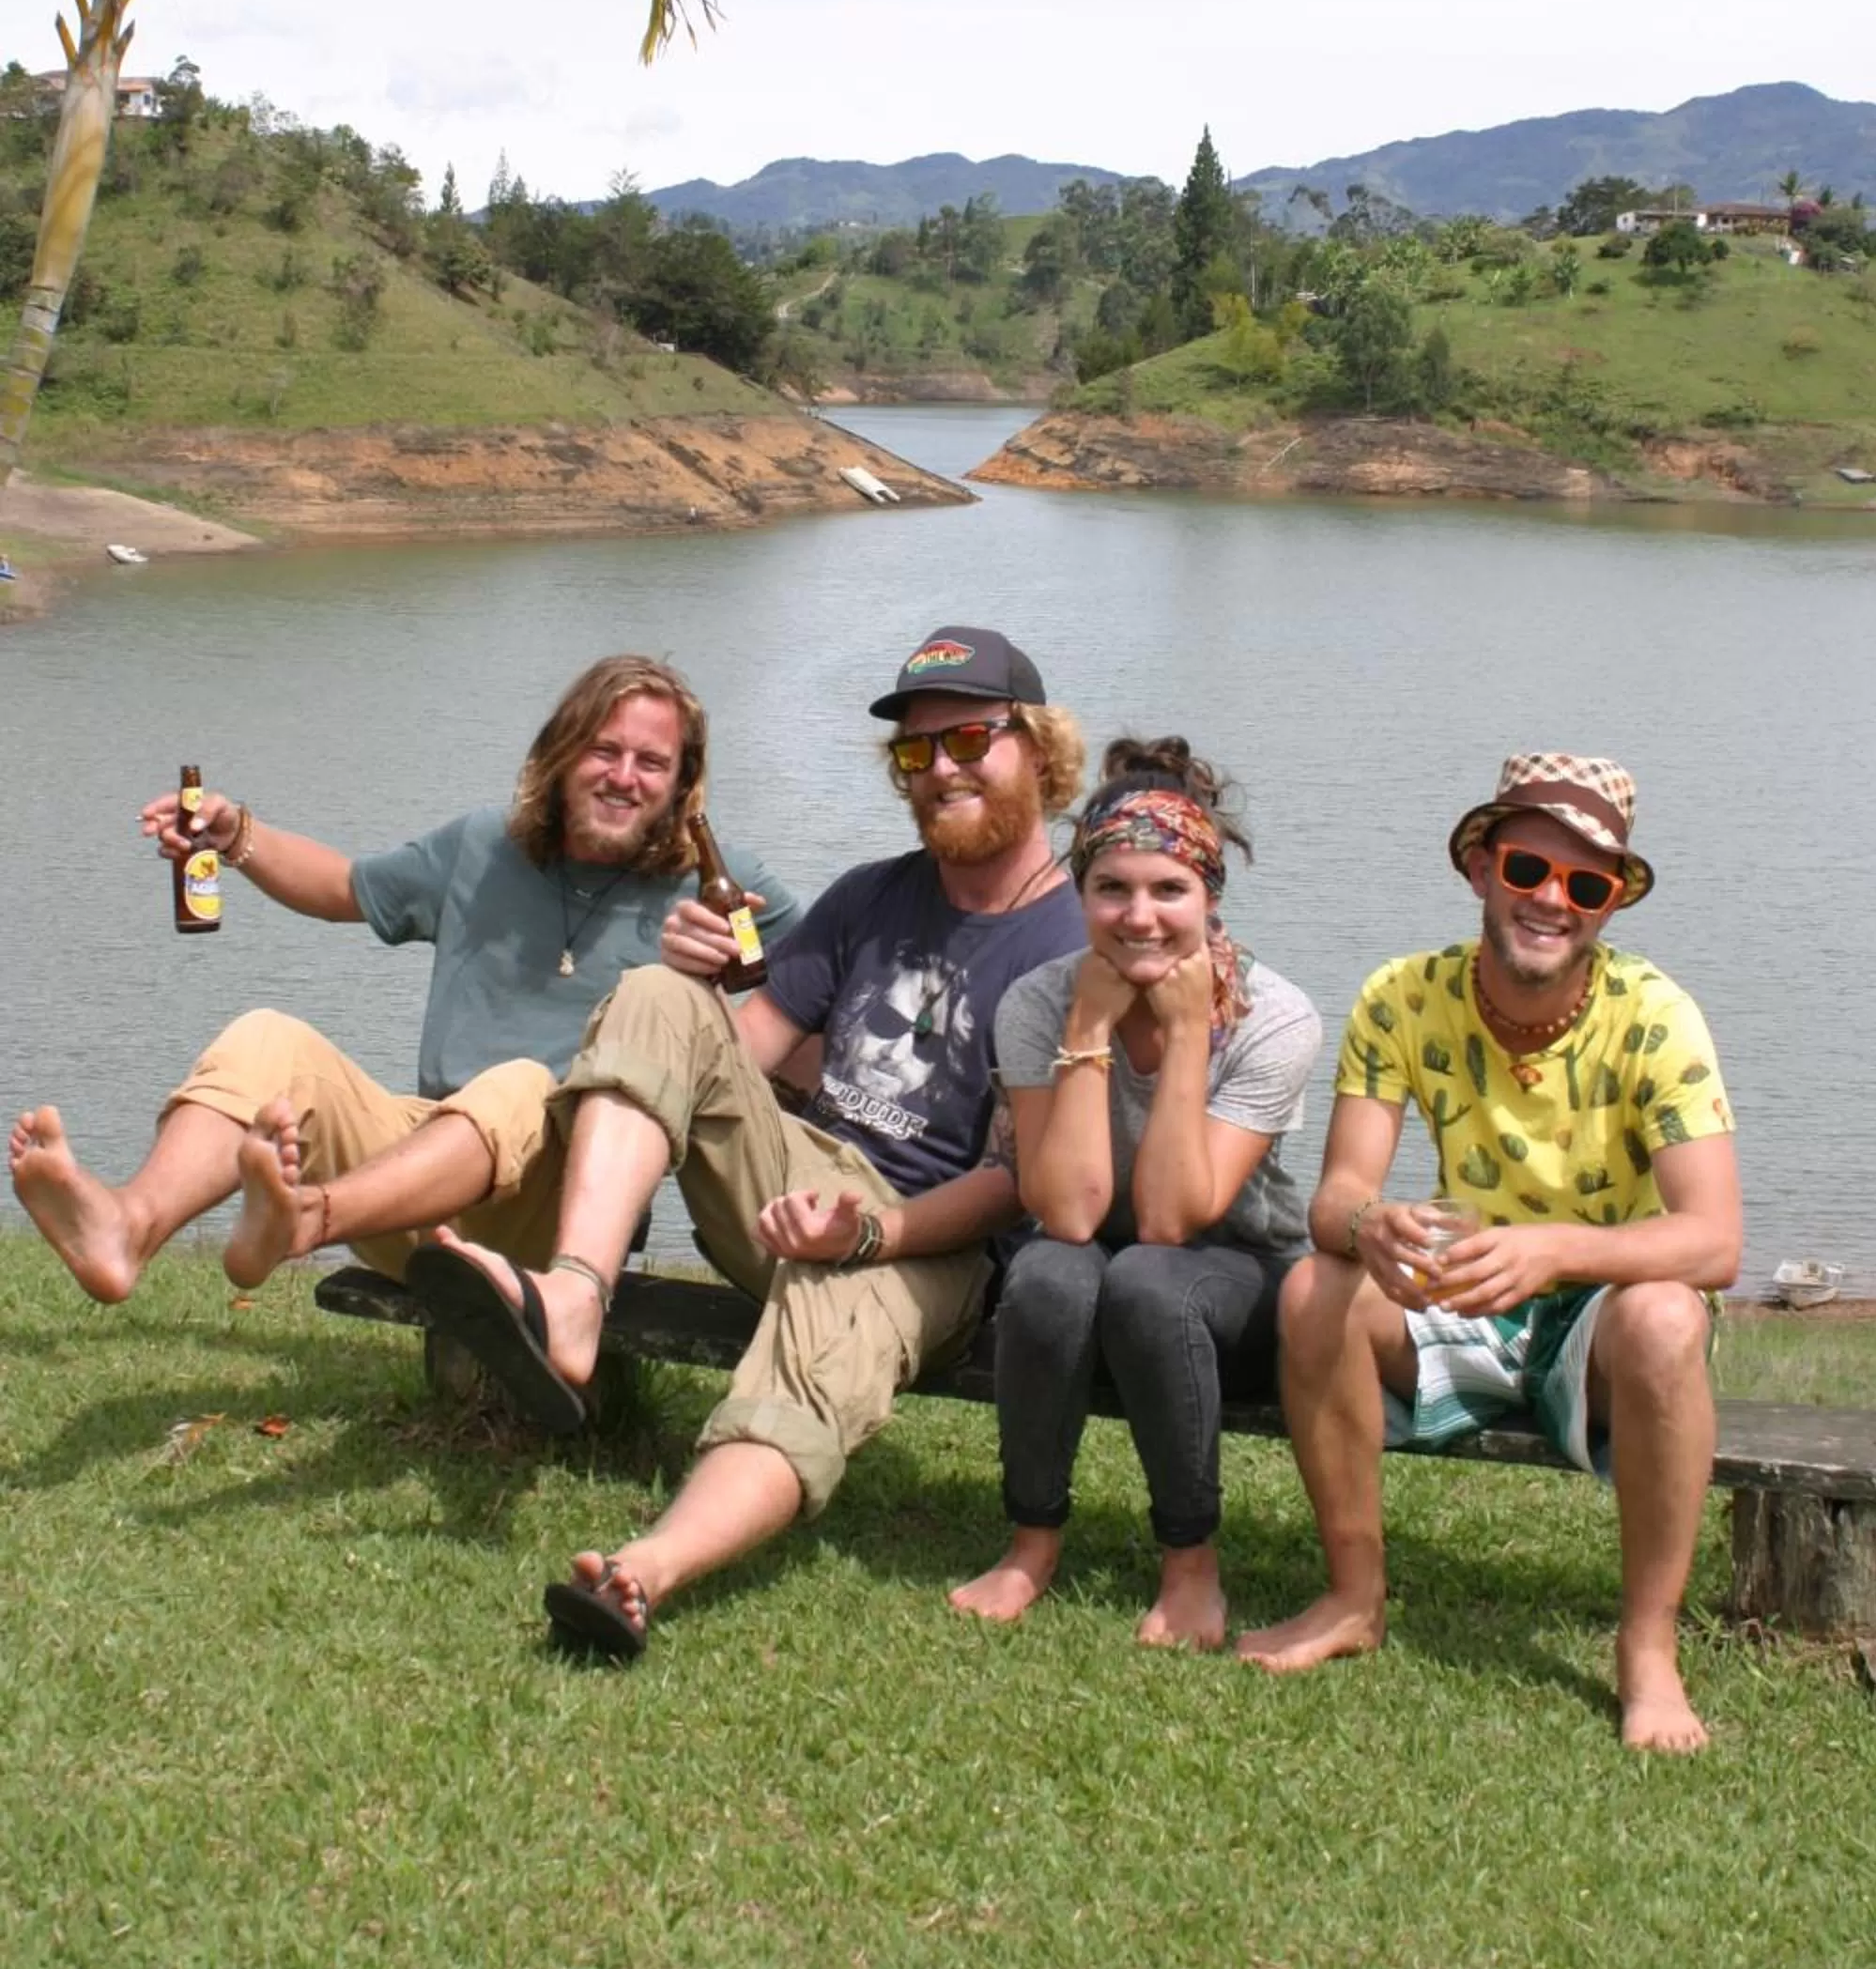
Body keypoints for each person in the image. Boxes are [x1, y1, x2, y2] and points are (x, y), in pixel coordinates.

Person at [409, 623, 1088, 1656]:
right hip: (789, 1182)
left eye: (967, 742)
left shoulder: (1079, 936)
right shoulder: (871, 894)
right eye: (914, 751)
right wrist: (690, 977)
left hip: (926, 1241)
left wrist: (867, 1234)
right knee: (651, 993)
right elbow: (742, 1049)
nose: (938, 770)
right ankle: (574, 1301)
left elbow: (1020, 1183)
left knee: (818, 1344)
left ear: (1037, 750)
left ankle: (644, 1572)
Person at [8, 654, 792, 1304]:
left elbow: (820, 997)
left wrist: (715, 1012)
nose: (624, 776)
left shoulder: (718, 885)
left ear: (681, 782)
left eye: (651, 762)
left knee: (520, 1084)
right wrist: (236, 835)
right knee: (267, 1038)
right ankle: (126, 1228)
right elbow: (347, 887)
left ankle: (305, 1220)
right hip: (421, 1183)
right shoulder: (485, 846)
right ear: (561, 757)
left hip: (565, 1214)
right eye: (603, 750)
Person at [1237, 753, 1743, 1754]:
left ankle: (1645, 1648)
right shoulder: (1401, 996)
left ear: (1607, 907)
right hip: (1466, 1289)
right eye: (1525, 870)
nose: (1550, 900)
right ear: (1478, 866)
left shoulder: (1654, 1017)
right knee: (1312, 1287)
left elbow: (1714, 1240)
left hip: (1598, 1313)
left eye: (1583, 885)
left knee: (1664, 1313)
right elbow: (1337, 1193)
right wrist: (1368, 1224)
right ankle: (1350, 1596)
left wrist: (1554, 1252)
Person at [950, 738, 1322, 1650]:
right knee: (1045, 1270)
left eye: (1168, 890)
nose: (1138, 916)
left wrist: (1189, 1031)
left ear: (1210, 897)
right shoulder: (1040, 1004)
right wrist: (1086, 1026)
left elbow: (1167, 1220)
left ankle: (1190, 1570)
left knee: (1151, 1279)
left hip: (1236, 1283)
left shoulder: (1274, 1018)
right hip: (1093, 1280)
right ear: (1079, 896)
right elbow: (1068, 1211)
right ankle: (1030, 1544)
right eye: (1110, 888)